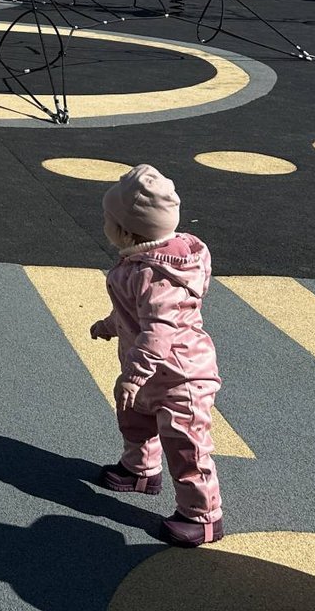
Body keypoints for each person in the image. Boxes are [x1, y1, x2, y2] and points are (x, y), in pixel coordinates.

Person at [88, 163, 224, 546]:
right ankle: (140, 471)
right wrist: (110, 324)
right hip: (151, 370)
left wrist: (133, 374)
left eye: (107, 219)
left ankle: (203, 516)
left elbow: (159, 329)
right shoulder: (138, 264)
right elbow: (135, 314)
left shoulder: (159, 276)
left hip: (181, 376)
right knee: (135, 421)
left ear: (124, 230)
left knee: (186, 447)